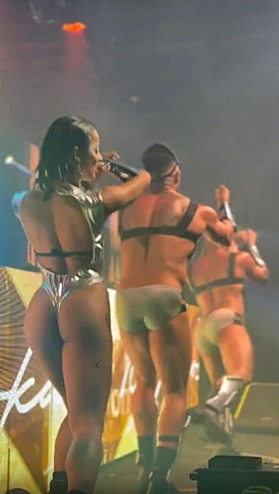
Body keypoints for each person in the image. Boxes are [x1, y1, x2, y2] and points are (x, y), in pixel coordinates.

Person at [11, 116, 151, 494]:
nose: (99, 157)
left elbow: (64, 197)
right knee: (89, 424)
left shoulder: (24, 201)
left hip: (44, 303)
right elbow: (141, 182)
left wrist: (92, 170)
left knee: (75, 412)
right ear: (77, 154)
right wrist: (116, 168)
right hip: (82, 300)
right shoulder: (94, 201)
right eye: (95, 149)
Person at [115, 144, 234, 494]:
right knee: (175, 391)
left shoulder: (126, 204)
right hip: (165, 295)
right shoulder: (196, 211)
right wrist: (224, 203)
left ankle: (143, 467)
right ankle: (159, 478)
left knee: (143, 382)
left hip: (126, 297)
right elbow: (227, 236)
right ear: (177, 174)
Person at [188, 185, 269, 441]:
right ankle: (213, 408)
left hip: (202, 327)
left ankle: (222, 430)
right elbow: (263, 276)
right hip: (227, 320)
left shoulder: (195, 266)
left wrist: (223, 204)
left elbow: (224, 229)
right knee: (241, 374)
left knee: (219, 383)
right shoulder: (239, 259)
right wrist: (252, 246)